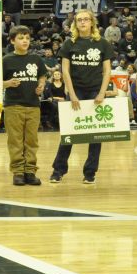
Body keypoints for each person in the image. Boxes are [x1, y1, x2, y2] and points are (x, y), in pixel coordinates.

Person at [50, 10, 114, 184]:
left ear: (92, 22)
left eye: (86, 19)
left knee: (95, 135)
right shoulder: (69, 44)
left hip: (95, 91)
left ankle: (90, 173)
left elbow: (107, 70)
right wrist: (72, 93)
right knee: (69, 132)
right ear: (75, 24)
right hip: (75, 90)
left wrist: (102, 92)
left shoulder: (103, 44)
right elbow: (65, 71)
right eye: (79, 20)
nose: (83, 22)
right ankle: (58, 170)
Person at [2, 26, 48, 186]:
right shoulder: (6, 60)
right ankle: (18, 172)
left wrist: (41, 85)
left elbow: (42, 75)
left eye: (27, 38)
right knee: (15, 140)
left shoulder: (36, 59)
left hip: (33, 106)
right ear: (13, 40)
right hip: (13, 106)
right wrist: (7, 83)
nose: (25, 41)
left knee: (32, 140)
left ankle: (30, 171)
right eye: (21, 38)